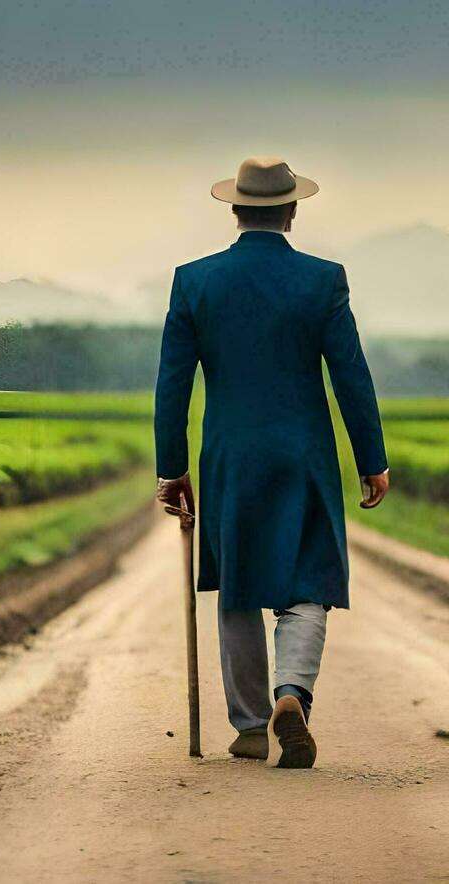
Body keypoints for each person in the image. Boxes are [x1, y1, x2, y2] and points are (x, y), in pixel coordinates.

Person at [154, 156, 390, 769]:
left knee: (238, 587)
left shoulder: (194, 282)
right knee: (307, 579)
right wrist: (372, 459)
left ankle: (254, 725)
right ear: (292, 211)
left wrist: (172, 467)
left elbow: (172, 387)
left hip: (229, 456)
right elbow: (352, 378)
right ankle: (292, 693)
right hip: (303, 453)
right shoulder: (323, 280)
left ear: (234, 210)